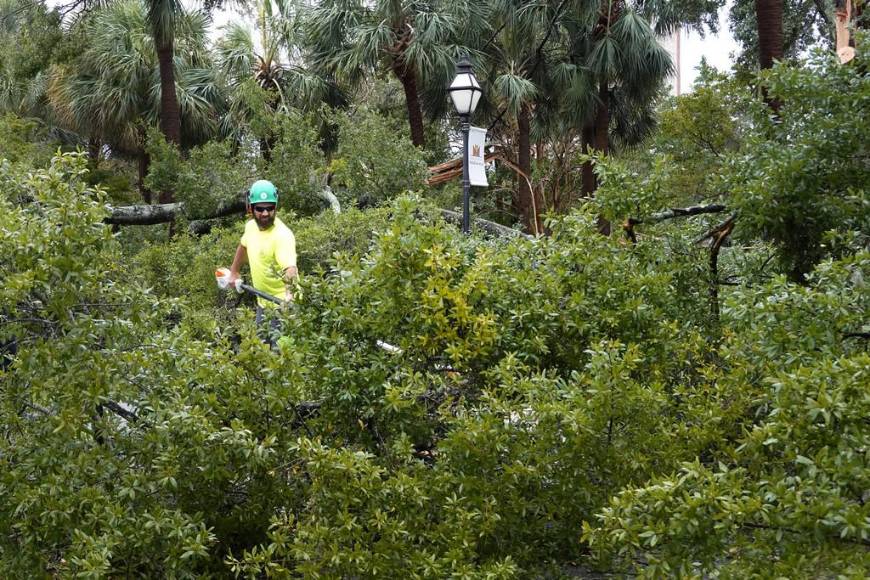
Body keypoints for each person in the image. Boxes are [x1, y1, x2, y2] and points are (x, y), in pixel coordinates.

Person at [228, 180, 298, 336]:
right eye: (260, 209)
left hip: (283, 307)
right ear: (250, 207)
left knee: (280, 350)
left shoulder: (282, 235)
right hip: (263, 303)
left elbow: (290, 269)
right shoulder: (251, 227)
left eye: (270, 208)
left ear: (275, 207)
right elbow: (243, 246)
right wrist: (234, 272)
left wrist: (289, 296)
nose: (265, 213)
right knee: (261, 347)